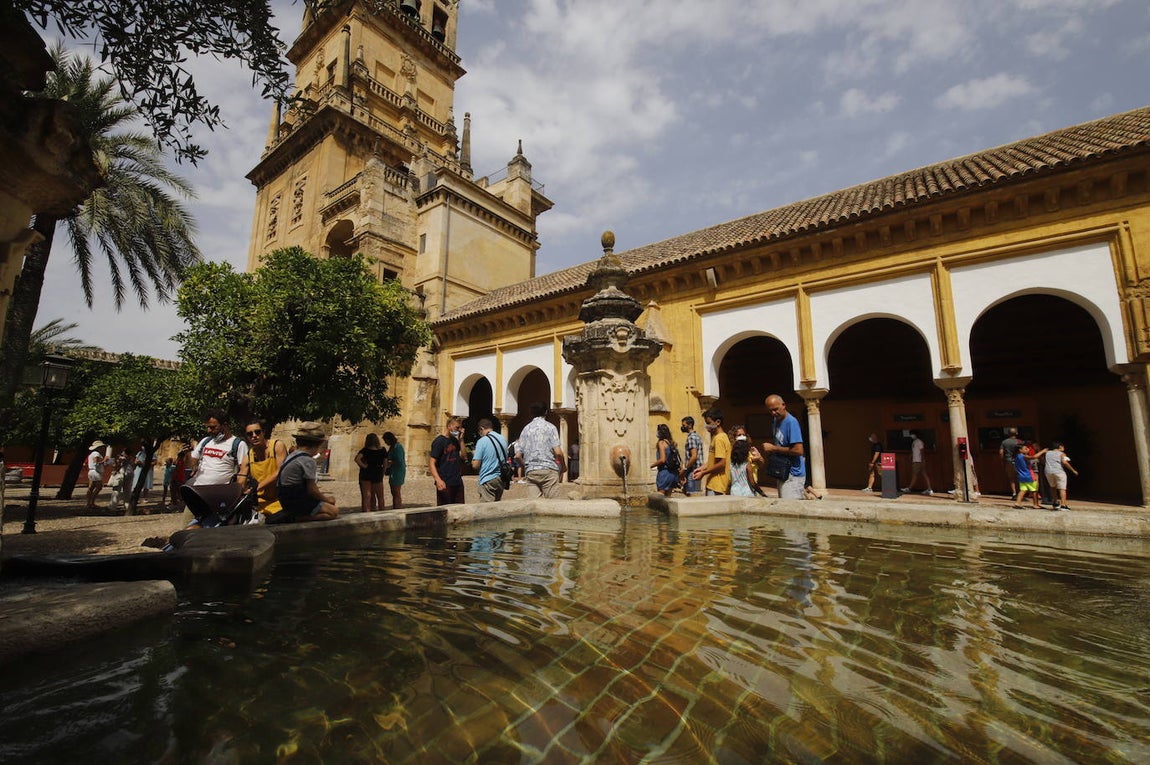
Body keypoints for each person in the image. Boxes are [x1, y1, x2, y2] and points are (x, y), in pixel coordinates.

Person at [267, 422, 339, 522]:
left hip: (285, 498)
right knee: (333, 512)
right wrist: (327, 499)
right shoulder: (308, 460)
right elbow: (312, 490)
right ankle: (295, 518)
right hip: (297, 500)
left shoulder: (293, 455)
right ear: (319, 443)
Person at [760, 394, 808, 500]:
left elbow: (798, 450)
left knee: (791, 509)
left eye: (775, 409)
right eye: (770, 411)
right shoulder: (776, 421)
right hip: (782, 472)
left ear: (783, 405)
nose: (773, 413)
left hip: (793, 474)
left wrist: (773, 448)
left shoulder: (791, 422)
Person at [187, 410, 250, 487]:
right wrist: (191, 459)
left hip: (221, 494)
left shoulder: (238, 444)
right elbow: (193, 461)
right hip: (199, 490)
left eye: (213, 427)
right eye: (207, 427)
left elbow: (244, 470)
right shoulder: (206, 441)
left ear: (225, 425)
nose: (209, 430)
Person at [517, 402, 567, 498]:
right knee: (553, 505)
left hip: (531, 472)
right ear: (546, 412)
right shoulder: (550, 427)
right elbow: (558, 453)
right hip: (548, 470)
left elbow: (518, 455)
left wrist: (526, 466)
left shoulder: (526, 429)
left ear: (531, 413)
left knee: (535, 505)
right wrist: (563, 466)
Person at [245, 420, 287, 518]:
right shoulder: (248, 455)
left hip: (279, 499)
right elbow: (241, 477)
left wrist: (258, 486)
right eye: (250, 434)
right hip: (259, 502)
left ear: (263, 432)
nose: (254, 435)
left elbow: (280, 472)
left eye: (257, 432)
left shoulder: (277, 446)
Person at [690, 407, 731, 495]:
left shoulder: (719, 439)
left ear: (718, 422)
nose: (707, 426)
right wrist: (701, 468)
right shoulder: (716, 437)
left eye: (708, 423)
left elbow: (721, 463)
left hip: (717, 485)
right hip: (713, 483)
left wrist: (703, 473)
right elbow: (713, 462)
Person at [430, 416, 467, 505]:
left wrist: (461, 440)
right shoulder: (439, 442)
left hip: (457, 480)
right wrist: (438, 480)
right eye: (457, 427)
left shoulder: (454, 441)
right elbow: (432, 462)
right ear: (449, 426)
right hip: (445, 480)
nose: (459, 430)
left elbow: (464, 456)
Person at [471, 418, 510, 502]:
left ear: (481, 428)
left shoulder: (482, 441)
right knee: (496, 507)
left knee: (487, 510)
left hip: (487, 478)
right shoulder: (502, 439)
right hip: (501, 478)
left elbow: (475, 465)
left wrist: (474, 456)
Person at [1035, 440, 1080, 511]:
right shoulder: (1062, 454)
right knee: (1062, 488)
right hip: (1059, 471)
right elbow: (1065, 462)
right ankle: (1063, 505)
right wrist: (1073, 470)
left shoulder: (1048, 453)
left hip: (1048, 471)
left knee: (1053, 487)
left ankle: (1055, 503)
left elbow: (1043, 460)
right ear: (1060, 447)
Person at [650, 423, 680, 497]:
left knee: (661, 499)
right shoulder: (672, 443)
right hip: (673, 474)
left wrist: (651, 465)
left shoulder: (661, 443)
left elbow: (662, 460)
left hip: (665, 473)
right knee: (668, 498)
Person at [903, 430, 933, 496]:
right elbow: (915, 451)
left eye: (912, 434)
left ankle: (909, 488)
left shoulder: (919, 442)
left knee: (915, 474)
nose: (911, 436)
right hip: (916, 460)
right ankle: (929, 489)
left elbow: (922, 451)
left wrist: (923, 460)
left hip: (918, 461)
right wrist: (911, 455)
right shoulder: (914, 442)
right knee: (923, 474)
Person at [680, 416, 704, 496]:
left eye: (684, 425)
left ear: (690, 425)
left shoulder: (691, 437)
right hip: (697, 470)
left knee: (691, 495)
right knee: (695, 495)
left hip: (692, 471)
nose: (682, 427)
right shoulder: (697, 436)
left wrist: (685, 469)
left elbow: (694, 456)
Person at [382, 431, 406, 509]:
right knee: (394, 492)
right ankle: (396, 507)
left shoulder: (397, 447)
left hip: (397, 472)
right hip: (394, 471)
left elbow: (399, 460)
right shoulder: (393, 447)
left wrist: (389, 464)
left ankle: (397, 508)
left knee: (396, 492)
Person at [999, 427, 1021, 498]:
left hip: (1008, 461)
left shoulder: (1004, 442)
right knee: (1020, 477)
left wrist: (1002, 461)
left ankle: (1014, 493)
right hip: (1019, 461)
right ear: (1016, 433)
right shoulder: (1020, 442)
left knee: (1011, 478)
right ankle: (1021, 493)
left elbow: (1001, 453)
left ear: (1008, 434)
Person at [84, 440, 107, 509]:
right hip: (95, 472)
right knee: (98, 487)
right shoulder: (96, 454)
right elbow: (96, 463)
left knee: (91, 488)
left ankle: (89, 503)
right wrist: (104, 460)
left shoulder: (92, 454)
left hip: (92, 471)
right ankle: (92, 502)